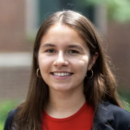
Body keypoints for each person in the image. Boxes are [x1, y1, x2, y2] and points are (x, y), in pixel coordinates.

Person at [4, 10, 130, 130]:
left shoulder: (122, 123)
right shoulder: (16, 121)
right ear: (37, 58)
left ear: (92, 60)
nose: (60, 61)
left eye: (73, 51)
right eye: (50, 50)